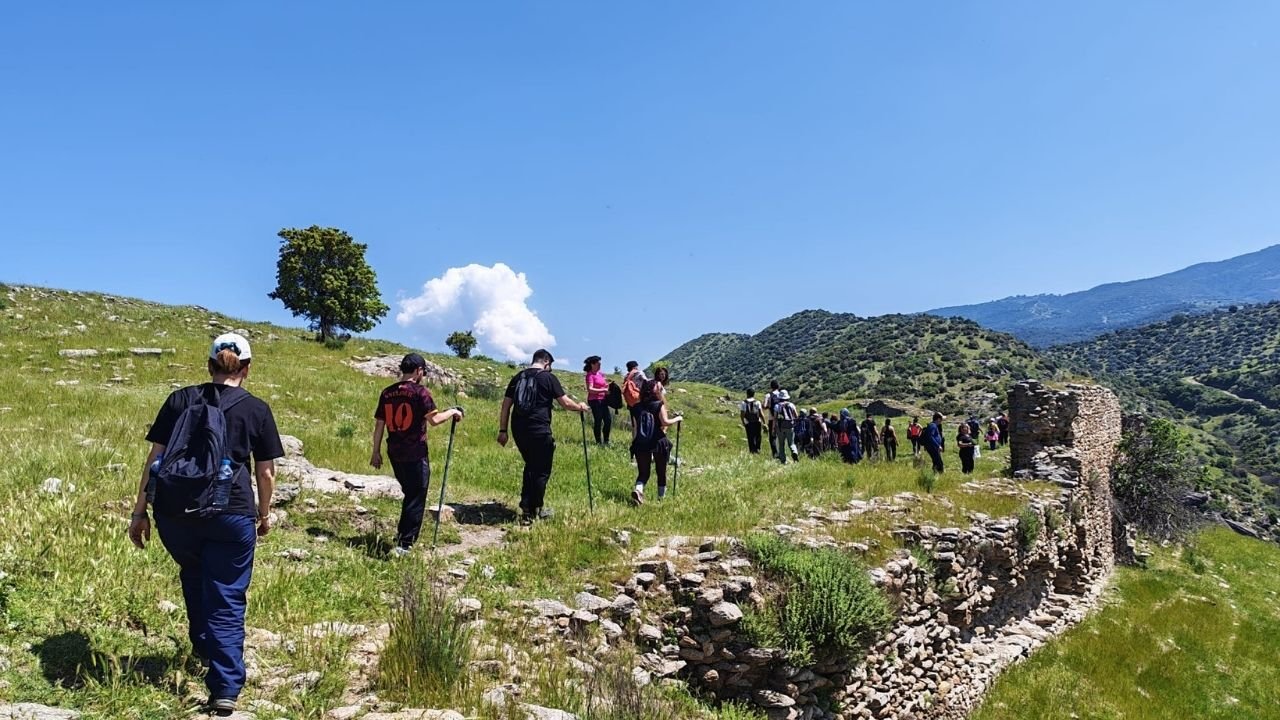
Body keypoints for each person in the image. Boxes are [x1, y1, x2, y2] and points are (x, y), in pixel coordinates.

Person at [127, 333, 283, 715]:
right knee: (227, 594)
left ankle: (204, 645)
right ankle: (225, 686)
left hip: (175, 514)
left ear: (209, 365)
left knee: (194, 574)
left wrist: (139, 510)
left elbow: (155, 458)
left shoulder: (180, 400)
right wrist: (264, 515)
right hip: (231, 514)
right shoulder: (256, 409)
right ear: (247, 368)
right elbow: (266, 473)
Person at [370, 353, 465, 557]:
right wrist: (453, 412)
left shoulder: (387, 393)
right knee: (416, 495)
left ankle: (403, 536)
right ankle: (405, 543)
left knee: (410, 493)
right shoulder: (421, 393)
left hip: (394, 450)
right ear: (419, 371)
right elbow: (435, 419)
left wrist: (375, 452)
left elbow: (379, 425)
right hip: (415, 453)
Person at [497, 349, 590, 525]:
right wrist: (581, 407)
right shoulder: (548, 378)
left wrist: (503, 431)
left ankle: (526, 504)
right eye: (550, 366)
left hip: (518, 429)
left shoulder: (518, 377)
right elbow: (565, 403)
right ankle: (534, 511)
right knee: (541, 469)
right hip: (539, 429)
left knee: (531, 465)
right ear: (546, 362)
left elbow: (505, 406)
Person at [630, 379, 683, 504]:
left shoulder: (635, 407)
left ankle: (638, 490)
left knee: (643, 473)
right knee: (661, 471)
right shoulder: (659, 404)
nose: (661, 390)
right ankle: (661, 499)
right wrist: (677, 419)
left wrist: (634, 443)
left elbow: (635, 428)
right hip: (658, 441)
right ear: (653, 390)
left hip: (640, 443)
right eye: (659, 388)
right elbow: (665, 422)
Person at [584, 355, 611, 445]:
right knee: (598, 420)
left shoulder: (601, 374)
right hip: (595, 400)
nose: (600, 366)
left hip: (603, 400)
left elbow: (604, 384)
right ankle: (598, 441)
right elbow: (590, 389)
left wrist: (608, 387)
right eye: (598, 364)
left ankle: (606, 440)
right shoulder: (590, 375)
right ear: (592, 364)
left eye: (600, 364)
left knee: (608, 420)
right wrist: (603, 390)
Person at [772, 389, 799, 463]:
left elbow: (775, 418)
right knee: (791, 443)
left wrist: (773, 429)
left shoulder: (777, 406)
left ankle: (783, 460)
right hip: (790, 426)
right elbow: (796, 416)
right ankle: (795, 452)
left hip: (780, 427)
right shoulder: (791, 405)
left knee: (781, 444)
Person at [740, 390, 764, 454]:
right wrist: (764, 422)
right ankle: (758, 449)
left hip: (748, 422)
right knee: (758, 436)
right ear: (754, 394)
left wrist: (743, 422)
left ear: (747, 394)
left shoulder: (744, 403)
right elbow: (761, 413)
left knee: (750, 436)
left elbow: (742, 414)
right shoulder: (757, 402)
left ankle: (752, 450)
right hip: (757, 422)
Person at [764, 380, 782, 458]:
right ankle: (783, 453)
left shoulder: (768, 395)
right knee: (781, 436)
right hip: (782, 419)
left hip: (772, 419)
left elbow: (764, 406)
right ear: (778, 386)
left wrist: (768, 406)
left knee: (772, 437)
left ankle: (775, 454)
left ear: (771, 387)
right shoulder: (782, 394)